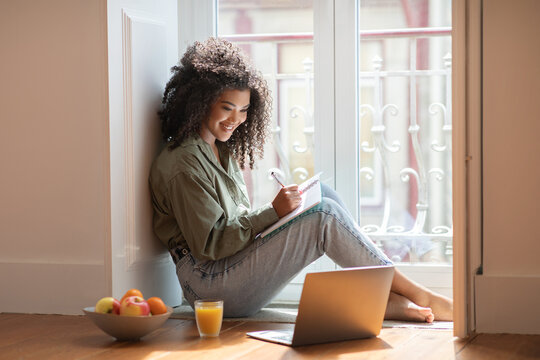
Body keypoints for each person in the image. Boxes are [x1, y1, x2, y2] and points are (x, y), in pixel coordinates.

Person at [149, 37, 453, 322]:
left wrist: (282, 215)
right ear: (201, 102)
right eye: (227, 108)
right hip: (209, 286)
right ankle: (417, 293)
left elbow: (234, 224)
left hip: (227, 270)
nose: (236, 119)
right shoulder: (184, 163)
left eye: (243, 110)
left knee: (322, 194)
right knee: (323, 217)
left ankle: (381, 297)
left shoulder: (219, 150)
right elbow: (211, 244)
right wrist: (273, 213)